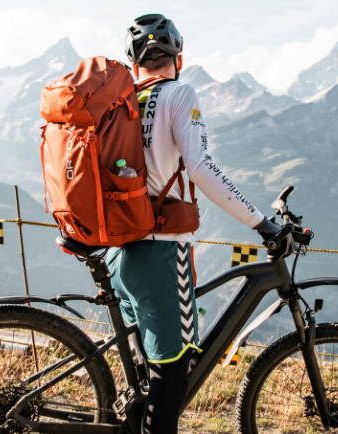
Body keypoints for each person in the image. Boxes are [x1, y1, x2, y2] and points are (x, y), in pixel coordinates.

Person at [109, 13, 286, 434]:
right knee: (172, 373)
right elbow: (201, 169)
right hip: (162, 249)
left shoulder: (124, 101)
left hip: (122, 251)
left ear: (134, 65)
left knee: (149, 374)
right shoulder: (178, 93)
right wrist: (262, 223)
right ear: (179, 58)